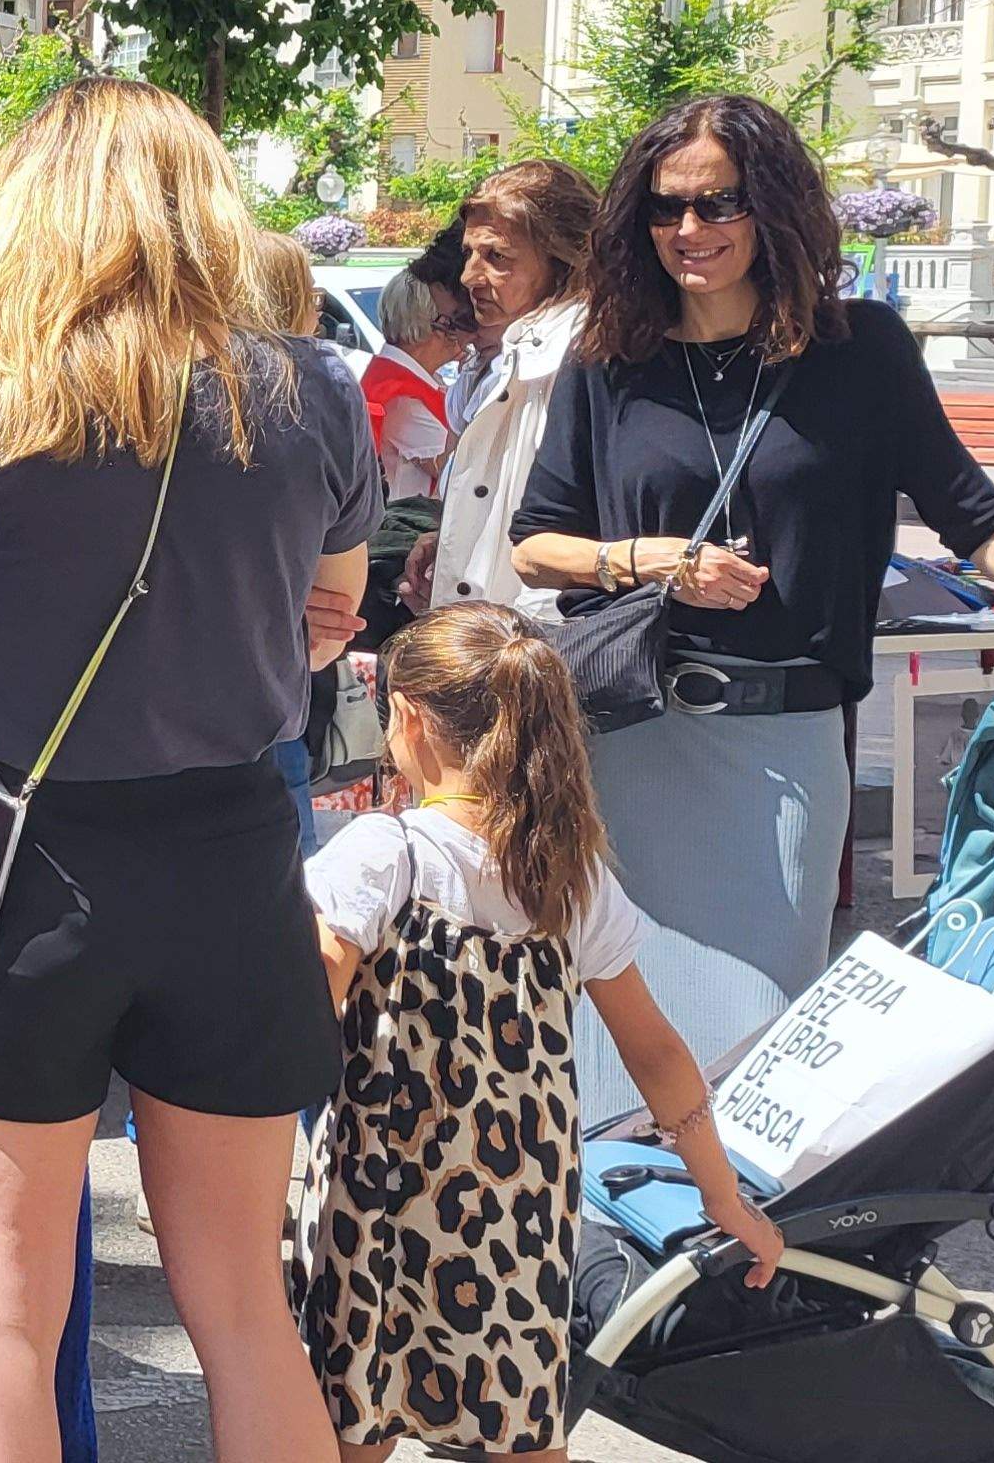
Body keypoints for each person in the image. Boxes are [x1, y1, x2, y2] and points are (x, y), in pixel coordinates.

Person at [508, 92, 994, 1122]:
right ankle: (612, 1262)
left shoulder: (860, 351)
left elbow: (982, 523)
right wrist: (646, 559)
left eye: (718, 206)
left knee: (760, 1031)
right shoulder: (610, 360)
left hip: (782, 744)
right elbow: (538, 539)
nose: (689, 233)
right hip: (628, 743)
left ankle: (740, 1266)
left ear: (775, 208)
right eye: (665, 211)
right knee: (614, 1033)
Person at [0, 77, 370, 1463]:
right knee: (242, 1311)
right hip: (232, 846)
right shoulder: (311, 393)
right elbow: (333, 608)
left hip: (30, 852)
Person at [291, 606, 780, 1463]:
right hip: (520, 1213)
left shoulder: (380, 854)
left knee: (352, 1422)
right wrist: (722, 1198)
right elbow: (658, 1055)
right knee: (521, 1430)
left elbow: (302, 1009)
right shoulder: (570, 879)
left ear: (407, 718)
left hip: (374, 1201)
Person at [409, 161, 598, 616]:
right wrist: (455, 540)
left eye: (497, 257)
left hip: (539, 644)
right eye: (471, 253)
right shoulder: (522, 349)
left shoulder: (587, 359)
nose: (470, 276)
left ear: (564, 261)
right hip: (494, 635)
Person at [359, 270, 464, 501]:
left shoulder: (394, 376)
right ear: (435, 324)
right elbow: (459, 469)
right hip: (412, 527)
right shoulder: (402, 397)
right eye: (459, 319)